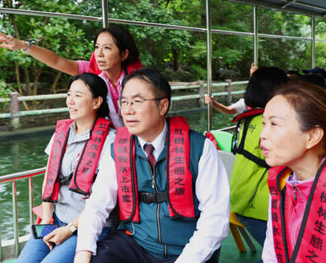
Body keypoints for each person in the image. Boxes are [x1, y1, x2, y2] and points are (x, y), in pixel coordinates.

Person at [74, 68, 230, 263]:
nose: (128, 110)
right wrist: (83, 252)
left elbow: (215, 219)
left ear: (163, 106)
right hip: (136, 244)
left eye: (137, 102)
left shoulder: (200, 148)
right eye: (124, 102)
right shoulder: (118, 151)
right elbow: (97, 205)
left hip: (186, 250)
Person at [17, 73, 116, 263]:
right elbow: (49, 177)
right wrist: (47, 218)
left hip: (89, 224)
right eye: (69, 94)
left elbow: (102, 200)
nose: (70, 101)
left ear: (96, 102)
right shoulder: (61, 134)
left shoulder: (110, 142)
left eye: (78, 96)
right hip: (56, 218)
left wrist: (69, 229)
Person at [0, 25, 142, 128]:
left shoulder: (140, 81)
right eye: (97, 47)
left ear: (123, 54)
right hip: (112, 146)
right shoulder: (93, 73)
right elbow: (57, 61)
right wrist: (22, 45)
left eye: (107, 48)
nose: (99, 54)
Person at [260, 81, 326, 262]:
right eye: (264, 123)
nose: (263, 134)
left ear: (312, 136)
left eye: (274, 124)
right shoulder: (282, 184)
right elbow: (272, 254)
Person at [229, 67, 288, 246]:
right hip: (256, 206)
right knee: (283, 255)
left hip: (239, 196)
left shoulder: (249, 118)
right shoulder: (269, 123)